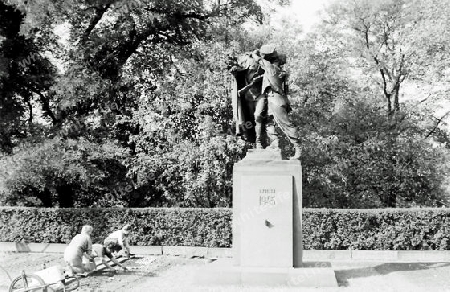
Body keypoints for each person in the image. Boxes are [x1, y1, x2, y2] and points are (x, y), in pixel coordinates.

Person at [257, 44, 302, 160]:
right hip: (275, 99)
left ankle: (297, 146)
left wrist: (261, 52)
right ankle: (274, 145)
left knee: (286, 124)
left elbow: (260, 56)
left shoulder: (271, 68)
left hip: (275, 100)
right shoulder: (279, 72)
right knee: (269, 121)